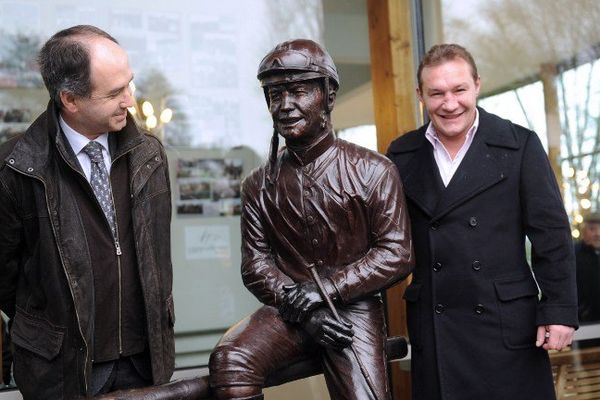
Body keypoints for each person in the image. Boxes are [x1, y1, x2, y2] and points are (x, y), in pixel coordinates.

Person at [208, 39, 414, 400]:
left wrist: (325, 290)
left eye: (298, 91)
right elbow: (255, 264)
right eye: (274, 94)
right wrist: (304, 310)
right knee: (231, 359)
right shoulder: (258, 184)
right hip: (288, 311)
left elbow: (396, 253)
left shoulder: (373, 171)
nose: (284, 105)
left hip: (352, 309)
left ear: (328, 96)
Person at [387, 43, 578, 400]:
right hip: (437, 322)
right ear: (420, 95)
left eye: (459, 89)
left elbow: (551, 234)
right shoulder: (401, 154)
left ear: (477, 84)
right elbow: (387, 238)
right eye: (437, 93)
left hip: (505, 323)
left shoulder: (518, 144)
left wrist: (559, 309)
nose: (450, 103)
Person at [0, 25, 175, 399]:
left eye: (129, 84)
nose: (130, 100)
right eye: (114, 92)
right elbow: (5, 278)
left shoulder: (150, 155)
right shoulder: (17, 167)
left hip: (146, 363)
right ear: (70, 99)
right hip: (62, 372)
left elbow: (157, 256)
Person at [576, 212, 600, 323]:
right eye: (592, 229)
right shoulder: (573, 254)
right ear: (584, 231)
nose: (598, 234)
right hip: (583, 322)